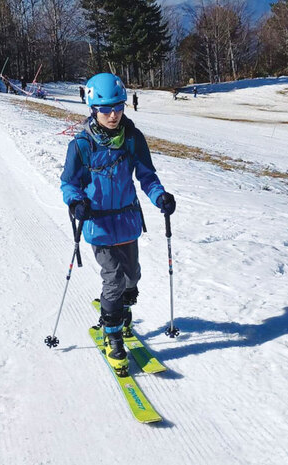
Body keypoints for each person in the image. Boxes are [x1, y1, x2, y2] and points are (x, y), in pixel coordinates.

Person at [60, 73, 176, 376]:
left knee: (132, 277)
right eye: (106, 109)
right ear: (93, 109)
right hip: (98, 225)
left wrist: (160, 196)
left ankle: (121, 314)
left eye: (118, 107)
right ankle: (113, 338)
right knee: (113, 279)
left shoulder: (133, 139)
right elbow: (68, 184)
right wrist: (76, 202)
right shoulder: (82, 145)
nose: (113, 114)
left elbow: (146, 176)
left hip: (127, 222)